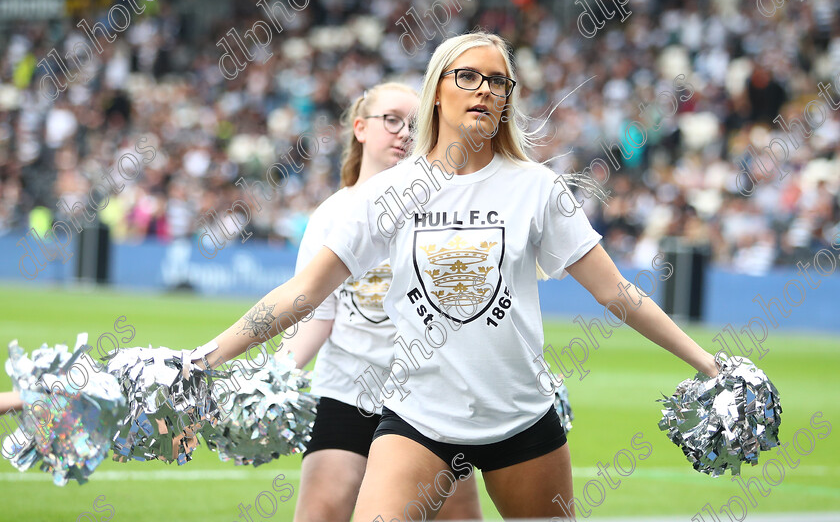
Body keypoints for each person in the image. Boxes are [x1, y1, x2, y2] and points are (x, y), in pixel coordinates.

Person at [189, 32, 718, 520]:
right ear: (436, 92)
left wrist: (708, 364)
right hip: (420, 419)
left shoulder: (536, 187)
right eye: (468, 76)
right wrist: (202, 359)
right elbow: (303, 293)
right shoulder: (390, 192)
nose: (484, 90)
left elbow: (618, 293)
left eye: (497, 81)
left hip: (521, 417)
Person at [276, 82, 482, 522]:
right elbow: (317, 316)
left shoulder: (445, 212)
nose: (404, 132)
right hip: (347, 391)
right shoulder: (332, 215)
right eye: (391, 119)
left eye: (415, 123)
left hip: (430, 396)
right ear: (360, 128)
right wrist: (271, 376)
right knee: (320, 512)